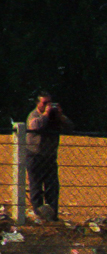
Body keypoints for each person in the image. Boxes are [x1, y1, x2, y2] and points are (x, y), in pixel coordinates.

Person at [24, 92, 72, 222]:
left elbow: (69, 127)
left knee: (52, 187)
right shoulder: (34, 115)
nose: (48, 106)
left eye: (50, 103)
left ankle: (52, 216)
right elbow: (35, 126)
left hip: (50, 158)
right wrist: (46, 114)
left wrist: (60, 115)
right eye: (44, 103)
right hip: (35, 156)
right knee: (36, 187)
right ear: (37, 104)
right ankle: (39, 215)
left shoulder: (55, 117)